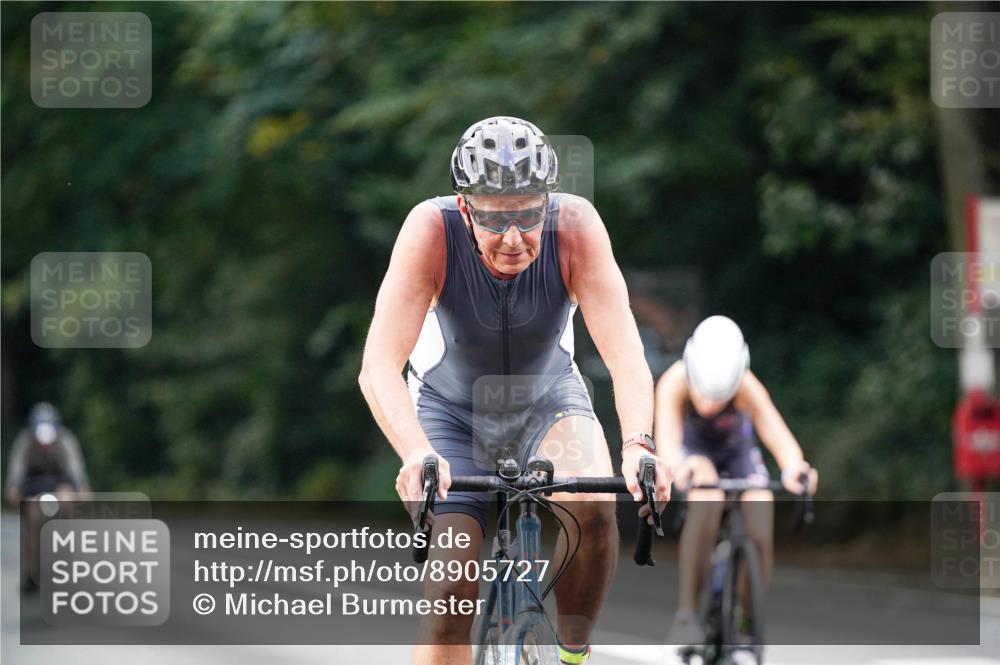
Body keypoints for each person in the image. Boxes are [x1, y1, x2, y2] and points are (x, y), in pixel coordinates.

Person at [359, 116, 672, 665]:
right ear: (464, 208)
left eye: (528, 216)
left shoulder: (576, 225)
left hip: (548, 404)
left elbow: (624, 353)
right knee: (450, 597)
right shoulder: (429, 231)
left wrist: (638, 447)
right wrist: (416, 452)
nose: (512, 238)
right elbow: (379, 366)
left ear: (547, 205)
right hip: (451, 416)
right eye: (493, 219)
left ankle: (572, 654)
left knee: (594, 507)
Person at [654, 316, 818, 646]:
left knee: (761, 506)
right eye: (703, 394)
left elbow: (778, 435)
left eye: (720, 396)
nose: (710, 404)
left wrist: (795, 469)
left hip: (738, 454)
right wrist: (680, 468)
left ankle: (746, 618)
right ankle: (686, 614)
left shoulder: (746, 384)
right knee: (706, 494)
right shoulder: (674, 382)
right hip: (695, 455)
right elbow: (668, 443)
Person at [5, 402, 91, 592]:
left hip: (60, 485)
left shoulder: (66, 440)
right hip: (34, 488)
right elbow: (16, 472)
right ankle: (30, 573)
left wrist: (82, 490)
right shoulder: (24, 442)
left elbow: (77, 471)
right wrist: (13, 489)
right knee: (31, 521)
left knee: (68, 504)